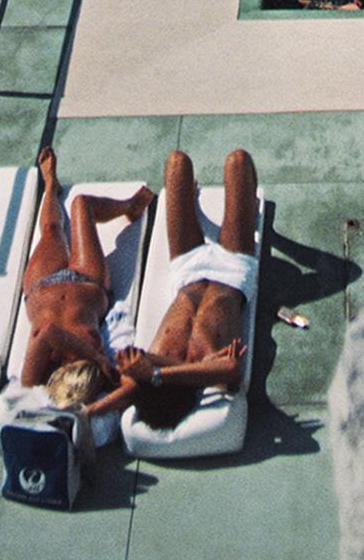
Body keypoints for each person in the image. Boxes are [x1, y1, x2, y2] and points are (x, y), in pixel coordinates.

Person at [81, 149, 257, 431]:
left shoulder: (149, 365)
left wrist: (88, 412)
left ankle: (202, 201)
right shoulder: (211, 373)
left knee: (176, 162)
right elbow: (231, 369)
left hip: (187, 271)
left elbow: (127, 385)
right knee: (238, 161)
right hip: (232, 271)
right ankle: (249, 206)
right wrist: (156, 374)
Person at [20, 149, 154, 401]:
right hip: (87, 282)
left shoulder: (34, 381)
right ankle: (130, 207)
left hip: (41, 285)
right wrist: (102, 364)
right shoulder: (102, 377)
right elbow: (132, 389)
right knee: (81, 204)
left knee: (51, 229)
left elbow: (48, 331)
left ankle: (50, 185)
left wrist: (96, 358)